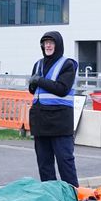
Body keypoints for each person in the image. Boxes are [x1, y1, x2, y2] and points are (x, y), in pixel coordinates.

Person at [28, 31, 79, 187]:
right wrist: (34, 83)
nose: (48, 45)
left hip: (60, 122)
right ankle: (50, 195)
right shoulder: (38, 64)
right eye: (45, 43)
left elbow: (62, 89)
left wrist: (39, 80)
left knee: (65, 162)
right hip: (40, 121)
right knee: (44, 164)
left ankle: (72, 195)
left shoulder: (67, 64)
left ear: (58, 45)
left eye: (51, 42)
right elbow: (33, 89)